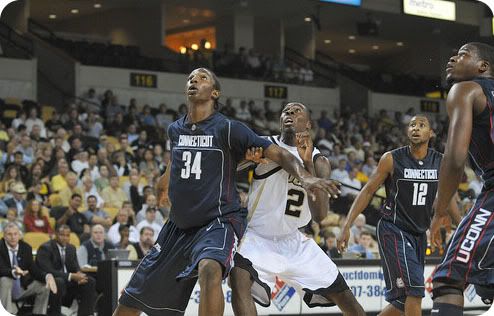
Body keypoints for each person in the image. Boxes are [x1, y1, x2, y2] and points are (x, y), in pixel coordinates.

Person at [113, 68, 338, 316]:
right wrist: (163, 184)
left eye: (202, 78)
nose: (194, 80)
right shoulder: (175, 130)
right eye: (191, 78)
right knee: (130, 302)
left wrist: (306, 177)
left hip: (217, 221)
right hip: (177, 227)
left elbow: (280, 153)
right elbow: (178, 160)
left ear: (215, 93)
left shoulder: (229, 129)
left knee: (210, 269)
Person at [230, 102, 364, 316]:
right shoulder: (265, 144)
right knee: (238, 278)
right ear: (280, 120)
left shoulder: (319, 160)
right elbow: (228, 168)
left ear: (308, 124)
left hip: (294, 240)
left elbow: (320, 215)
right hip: (258, 237)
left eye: (297, 111)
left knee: (347, 299)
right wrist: (246, 159)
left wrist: (308, 165)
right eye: (286, 111)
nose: (290, 113)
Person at [337, 115, 459, 316]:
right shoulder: (392, 158)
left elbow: (450, 195)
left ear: (431, 133)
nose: (416, 128)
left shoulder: (440, 161)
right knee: (415, 290)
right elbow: (367, 191)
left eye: (421, 125)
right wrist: (347, 225)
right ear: (407, 131)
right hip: (393, 229)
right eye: (412, 125)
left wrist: (463, 225)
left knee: (404, 300)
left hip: (418, 234)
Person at [429, 42, 494, 315]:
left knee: (448, 278)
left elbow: (454, 159)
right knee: (485, 283)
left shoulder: (466, 89)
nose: (452, 58)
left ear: (483, 67)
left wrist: (440, 210)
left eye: (463, 54)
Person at [36, 225, 96, 316]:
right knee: (58, 281)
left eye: (67, 235)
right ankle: (55, 313)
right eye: (62, 235)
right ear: (56, 234)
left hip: (68, 281)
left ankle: (85, 314)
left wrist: (79, 275)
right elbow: (48, 270)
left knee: (89, 281)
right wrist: (71, 276)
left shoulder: (71, 248)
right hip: (51, 281)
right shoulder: (45, 248)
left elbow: (75, 267)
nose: (65, 238)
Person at [0, 223, 56, 315]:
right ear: (4, 236)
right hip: (3, 289)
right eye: (9, 234)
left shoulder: (26, 248)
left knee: (44, 286)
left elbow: (33, 269)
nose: (13, 237)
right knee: (5, 280)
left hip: (22, 286)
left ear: (19, 235)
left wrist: (47, 276)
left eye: (15, 234)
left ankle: (39, 314)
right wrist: (13, 272)